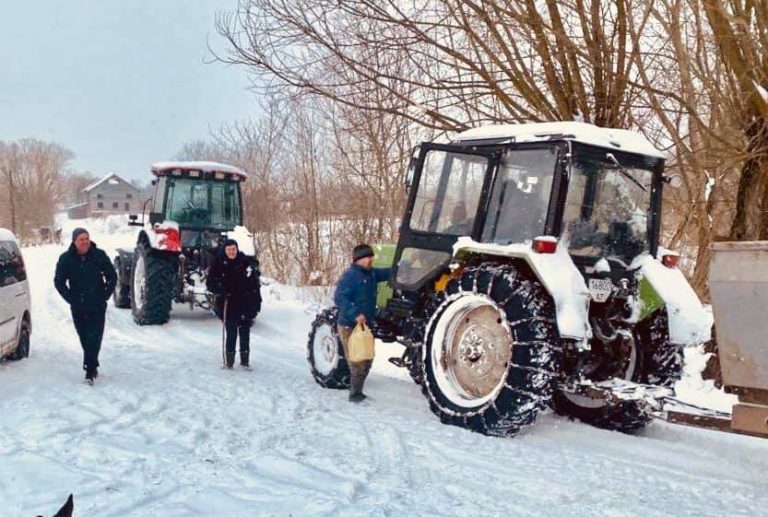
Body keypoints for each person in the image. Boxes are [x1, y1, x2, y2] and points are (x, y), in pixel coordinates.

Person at [54, 228, 117, 385]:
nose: (85, 242)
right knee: (84, 337)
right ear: (74, 241)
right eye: (81, 239)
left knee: (95, 337)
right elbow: (59, 282)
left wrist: (105, 296)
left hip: (97, 304)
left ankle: (90, 369)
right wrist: (71, 299)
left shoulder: (99, 255)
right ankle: (92, 363)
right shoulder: (66, 259)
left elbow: (112, 276)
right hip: (78, 306)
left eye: (87, 238)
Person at [334, 244, 392, 402]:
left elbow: (388, 273)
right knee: (358, 361)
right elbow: (339, 298)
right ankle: (355, 395)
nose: (372, 259)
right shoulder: (350, 276)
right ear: (359, 259)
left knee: (367, 358)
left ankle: (357, 389)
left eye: (372, 256)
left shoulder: (371, 273)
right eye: (369, 257)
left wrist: (405, 265)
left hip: (365, 327)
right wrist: (355, 314)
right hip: (349, 326)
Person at [206, 239, 261, 370]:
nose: (231, 252)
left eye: (233, 249)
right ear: (225, 250)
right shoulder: (218, 263)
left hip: (245, 302)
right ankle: (229, 362)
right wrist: (221, 290)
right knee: (231, 332)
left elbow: (254, 283)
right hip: (228, 303)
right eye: (228, 250)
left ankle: (245, 362)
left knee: (244, 332)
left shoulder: (245, 262)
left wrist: (256, 302)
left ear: (237, 249)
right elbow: (211, 283)